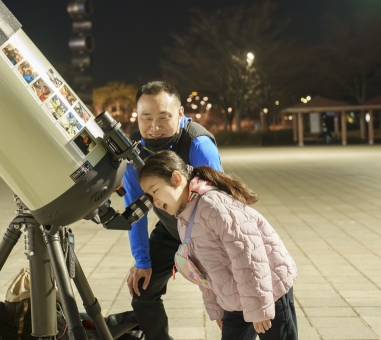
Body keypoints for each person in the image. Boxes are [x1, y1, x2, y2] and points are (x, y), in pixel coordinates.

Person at [138, 150, 298, 340]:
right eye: (149, 196)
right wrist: (217, 308)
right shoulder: (184, 219)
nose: (155, 201)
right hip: (235, 299)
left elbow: (249, 257)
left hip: (269, 292)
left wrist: (258, 308)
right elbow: (205, 269)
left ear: (176, 178)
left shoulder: (214, 206)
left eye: (155, 190)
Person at [121, 81, 221, 340]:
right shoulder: (134, 152)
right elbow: (136, 211)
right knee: (142, 292)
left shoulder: (197, 145)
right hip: (170, 229)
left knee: (230, 299)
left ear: (180, 113)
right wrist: (142, 261)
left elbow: (219, 208)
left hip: (208, 233)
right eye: (146, 117)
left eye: (164, 117)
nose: (154, 127)